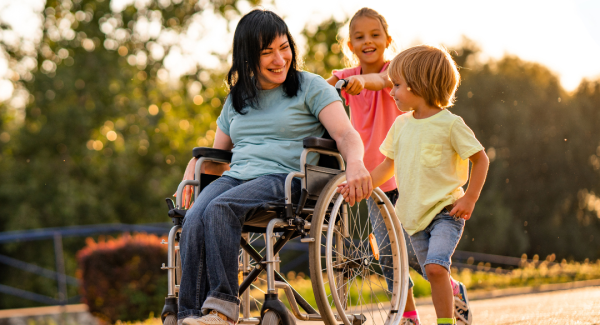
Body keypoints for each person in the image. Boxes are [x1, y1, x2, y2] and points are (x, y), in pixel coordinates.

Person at [176, 9, 372, 325]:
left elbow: (346, 134)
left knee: (221, 208)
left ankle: (222, 311)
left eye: (284, 47)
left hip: (287, 178)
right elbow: (217, 155)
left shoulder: (311, 86)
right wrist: (192, 167)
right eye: (267, 52)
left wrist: (357, 163)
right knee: (196, 215)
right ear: (247, 58)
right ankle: (189, 315)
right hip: (238, 177)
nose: (280, 59)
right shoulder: (237, 98)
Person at [327, 8, 473, 325]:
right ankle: (408, 316)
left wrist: (362, 81)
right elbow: (322, 93)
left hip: (408, 181)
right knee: (391, 257)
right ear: (350, 44)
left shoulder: (396, 73)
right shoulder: (343, 76)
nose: (368, 41)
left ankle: (452, 290)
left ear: (388, 40)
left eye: (375, 35)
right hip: (373, 181)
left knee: (423, 260)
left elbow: (380, 80)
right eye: (359, 37)